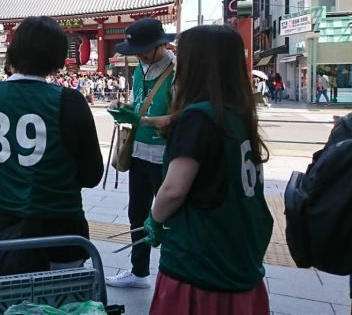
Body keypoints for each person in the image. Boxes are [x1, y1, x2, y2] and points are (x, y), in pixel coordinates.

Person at [147, 25, 273, 315]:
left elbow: (174, 189)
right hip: (239, 256)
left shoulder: (197, 119)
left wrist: (154, 219)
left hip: (200, 263)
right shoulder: (237, 114)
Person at [0, 16, 103, 274]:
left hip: (4, 230)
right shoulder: (69, 100)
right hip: (61, 232)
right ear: (57, 57)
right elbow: (92, 175)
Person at [106, 17, 175, 289]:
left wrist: (142, 121)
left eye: (144, 50)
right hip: (138, 153)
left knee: (168, 218)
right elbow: (138, 104)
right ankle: (139, 270)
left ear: (161, 45)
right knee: (137, 213)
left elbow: (182, 116)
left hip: (166, 157)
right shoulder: (139, 69)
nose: (141, 56)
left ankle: (172, 273)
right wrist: (122, 108)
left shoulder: (177, 70)